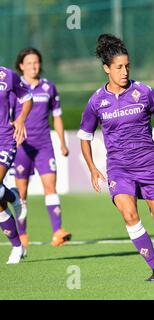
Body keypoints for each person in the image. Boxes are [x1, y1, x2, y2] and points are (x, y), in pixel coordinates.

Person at [78, 34, 154, 281]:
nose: (124, 72)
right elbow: (84, 136)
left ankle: (145, 194)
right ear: (106, 69)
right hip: (118, 168)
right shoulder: (96, 101)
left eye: (127, 66)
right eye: (118, 67)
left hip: (148, 165)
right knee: (129, 214)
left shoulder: (143, 92)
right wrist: (92, 168)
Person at [11, 48, 71, 253]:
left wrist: (62, 142)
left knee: (50, 187)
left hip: (44, 146)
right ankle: (22, 235)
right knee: (22, 194)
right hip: (21, 147)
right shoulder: (14, 88)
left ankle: (58, 231)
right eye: (28, 63)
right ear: (21, 66)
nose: (33, 66)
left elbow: (57, 117)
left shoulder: (48, 87)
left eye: (36, 62)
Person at [0, 65, 33, 264]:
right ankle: (16, 246)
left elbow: (27, 97)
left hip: (5, 139)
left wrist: (20, 119)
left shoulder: (7, 75)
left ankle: (12, 196)